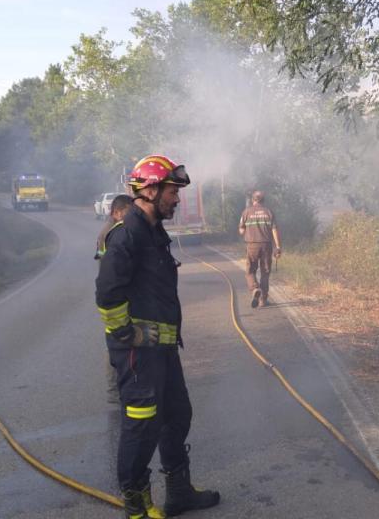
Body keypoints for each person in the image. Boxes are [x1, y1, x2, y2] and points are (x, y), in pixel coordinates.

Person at [96, 155, 220, 519]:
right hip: (138, 354)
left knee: (177, 414)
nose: (177, 200)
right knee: (141, 424)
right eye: (171, 192)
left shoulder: (153, 232)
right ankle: (136, 505)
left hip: (163, 350)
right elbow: (107, 294)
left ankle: (178, 491)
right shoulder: (127, 235)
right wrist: (126, 332)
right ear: (149, 190)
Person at [238, 190, 281, 308]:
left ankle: (255, 288)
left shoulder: (246, 212)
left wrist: (248, 230)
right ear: (263, 200)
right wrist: (277, 247)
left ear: (253, 200)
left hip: (252, 245)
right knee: (265, 272)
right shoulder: (269, 212)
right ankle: (263, 300)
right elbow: (274, 230)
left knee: (250, 270)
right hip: (266, 245)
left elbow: (241, 230)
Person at [95, 194, 134, 261]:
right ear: (116, 213)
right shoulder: (112, 232)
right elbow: (100, 256)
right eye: (129, 212)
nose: (132, 215)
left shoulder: (122, 228)